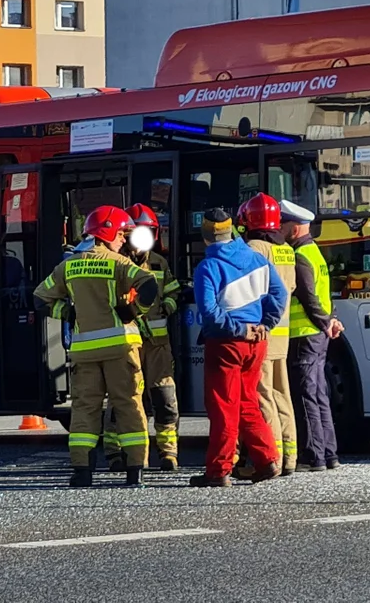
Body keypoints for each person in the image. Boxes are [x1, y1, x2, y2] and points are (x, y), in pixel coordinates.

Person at [34, 206, 158, 487]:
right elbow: (149, 286)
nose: (124, 241)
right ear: (109, 233)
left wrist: (68, 314)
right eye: (122, 235)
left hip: (84, 351)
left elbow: (40, 299)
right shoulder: (119, 263)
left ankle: (82, 472)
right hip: (120, 348)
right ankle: (135, 471)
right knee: (128, 405)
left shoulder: (69, 265)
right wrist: (132, 311)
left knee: (85, 409)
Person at [190, 208, 288, 487]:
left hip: (225, 344)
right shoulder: (257, 259)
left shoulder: (208, 268)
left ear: (206, 236)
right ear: (232, 231)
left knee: (224, 407)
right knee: (247, 403)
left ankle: (218, 470)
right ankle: (267, 460)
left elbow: (209, 312)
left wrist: (237, 328)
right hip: (255, 343)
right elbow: (279, 295)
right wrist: (264, 325)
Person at [104, 204, 182, 472]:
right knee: (123, 398)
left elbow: (172, 292)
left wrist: (168, 307)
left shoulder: (160, 263)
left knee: (164, 398)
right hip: (126, 344)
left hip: (157, 347)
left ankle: (168, 452)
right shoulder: (115, 263)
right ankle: (115, 453)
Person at [235, 193, 299, 477]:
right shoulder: (287, 248)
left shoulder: (254, 248)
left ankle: (270, 457)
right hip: (282, 333)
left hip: (261, 331)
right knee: (282, 394)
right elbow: (291, 287)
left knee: (262, 397)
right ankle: (290, 457)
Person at [280, 200, 344, 473]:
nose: (279, 229)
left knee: (305, 396)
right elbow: (323, 293)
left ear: (294, 229)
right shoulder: (315, 251)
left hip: (304, 334)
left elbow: (307, 295)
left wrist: (324, 321)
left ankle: (313, 455)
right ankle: (330, 453)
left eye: (283, 225)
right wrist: (330, 321)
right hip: (317, 334)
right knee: (319, 395)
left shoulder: (300, 256)